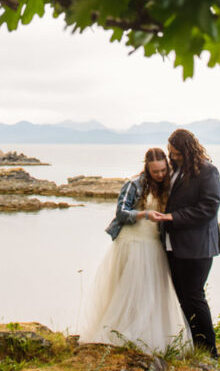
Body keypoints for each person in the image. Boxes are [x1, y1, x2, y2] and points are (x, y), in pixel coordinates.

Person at [78, 148, 192, 354]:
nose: (160, 175)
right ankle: (122, 333)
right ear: (147, 168)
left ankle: (149, 336)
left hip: (155, 244)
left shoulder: (169, 186)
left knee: (152, 292)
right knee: (132, 289)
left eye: (163, 170)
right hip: (133, 242)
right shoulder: (133, 184)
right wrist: (144, 214)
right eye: (155, 171)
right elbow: (121, 213)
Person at [147, 129, 220, 356]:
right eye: (171, 152)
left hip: (197, 247)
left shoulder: (208, 172)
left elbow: (209, 207)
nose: (172, 157)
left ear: (188, 150)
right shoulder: (176, 170)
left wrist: (172, 217)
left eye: (176, 153)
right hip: (173, 245)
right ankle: (194, 346)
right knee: (183, 298)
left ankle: (209, 352)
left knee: (194, 297)